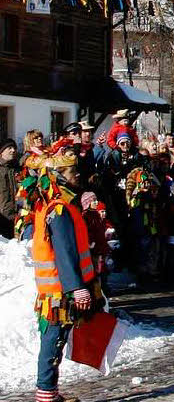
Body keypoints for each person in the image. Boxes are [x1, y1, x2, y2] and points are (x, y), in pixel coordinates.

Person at [31, 150, 103, 402]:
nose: (78, 175)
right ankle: (46, 394)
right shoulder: (58, 210)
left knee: (55, 339)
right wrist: (77, 287)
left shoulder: (58, 206)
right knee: (53, 340)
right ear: (59, 177)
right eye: (72, 171)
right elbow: (64, 251)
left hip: (59, 288)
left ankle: (49, 392)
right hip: (59, 291)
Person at [0, 137, 17, 238]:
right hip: (2, 217)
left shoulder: (16, 168)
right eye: (9, 148)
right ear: (1, 152)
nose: (13, 150)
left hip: (15, 217)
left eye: (14, 148)